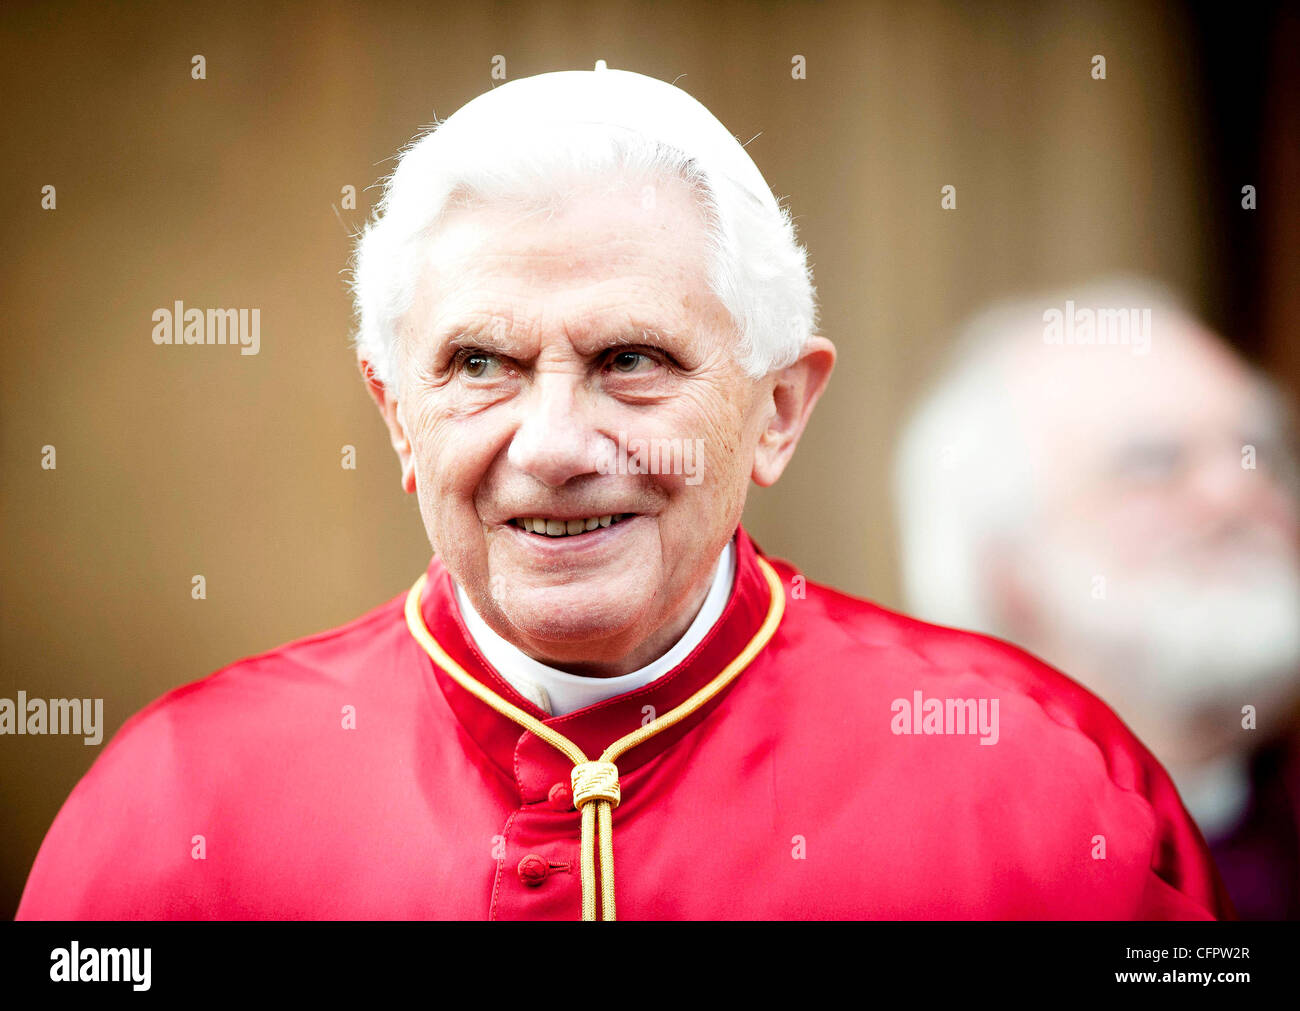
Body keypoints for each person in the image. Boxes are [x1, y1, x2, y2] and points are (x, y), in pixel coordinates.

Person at [18, 70, 1229, 921]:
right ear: (395, 412)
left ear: (776, 411)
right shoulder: (176, 804)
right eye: (478, 364)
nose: (552, 446)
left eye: (631, 361)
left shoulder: (1048, 786)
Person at [894, 278, 1300, 918]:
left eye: (1262, 454)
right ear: (1006, 569)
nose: (1237, 495)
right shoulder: (901, 872)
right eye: (1155, 462)